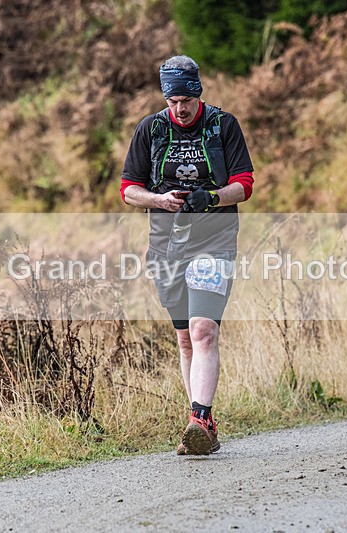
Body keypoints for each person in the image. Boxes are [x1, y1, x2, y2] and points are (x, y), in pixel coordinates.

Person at [120, 55, 254, 454]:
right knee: (184, 339)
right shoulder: (151, 129)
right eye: (173, 100)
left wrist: (210, 197)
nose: (180, 108)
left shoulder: (222, 125)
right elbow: (129, 189)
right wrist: (160, 200)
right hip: (166, 245)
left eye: (187, 100)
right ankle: (204, 425)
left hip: (214, 240)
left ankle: (199, 415)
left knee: (203, 330)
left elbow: (244, 184)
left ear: (199, 93)